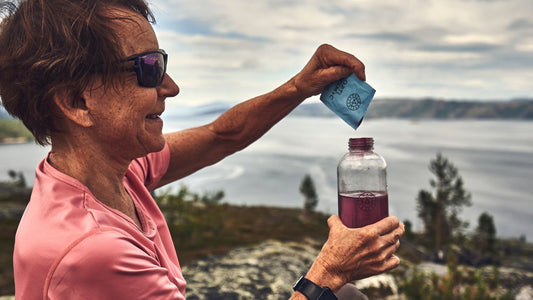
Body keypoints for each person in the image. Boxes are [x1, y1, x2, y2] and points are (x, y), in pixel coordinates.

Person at [0, 0, 405, 299]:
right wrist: (329, 272)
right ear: (77, 102)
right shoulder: (92, 251)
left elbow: (220, 136)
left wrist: (299, 87)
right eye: (148, 68)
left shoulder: (115, 172)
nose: (171, 87)